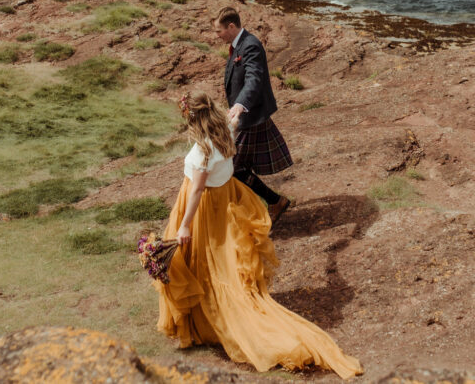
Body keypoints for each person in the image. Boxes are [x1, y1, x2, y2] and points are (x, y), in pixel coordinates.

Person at [155, 92, 362, 379]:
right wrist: (238, 109)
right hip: (224, 201)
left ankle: (209, 319)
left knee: (206, 263)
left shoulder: (202, 149)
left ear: (192, 120)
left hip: (205, 209)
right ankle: (204, 315)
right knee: (216, 262)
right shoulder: (226, 131)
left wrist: (185, 225)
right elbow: (235, 118)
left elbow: (197, 191)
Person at [212, 6, 292, 223]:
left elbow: (254, 79)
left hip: (251, 116)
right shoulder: (237, 45)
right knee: (236, 166)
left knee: (233, 167)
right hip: (244, 117)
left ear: (231, 26)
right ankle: (262, 205)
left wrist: (240, 105)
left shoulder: (251, 45)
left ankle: (275, 201)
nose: (216, 36)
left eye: (219, 31)